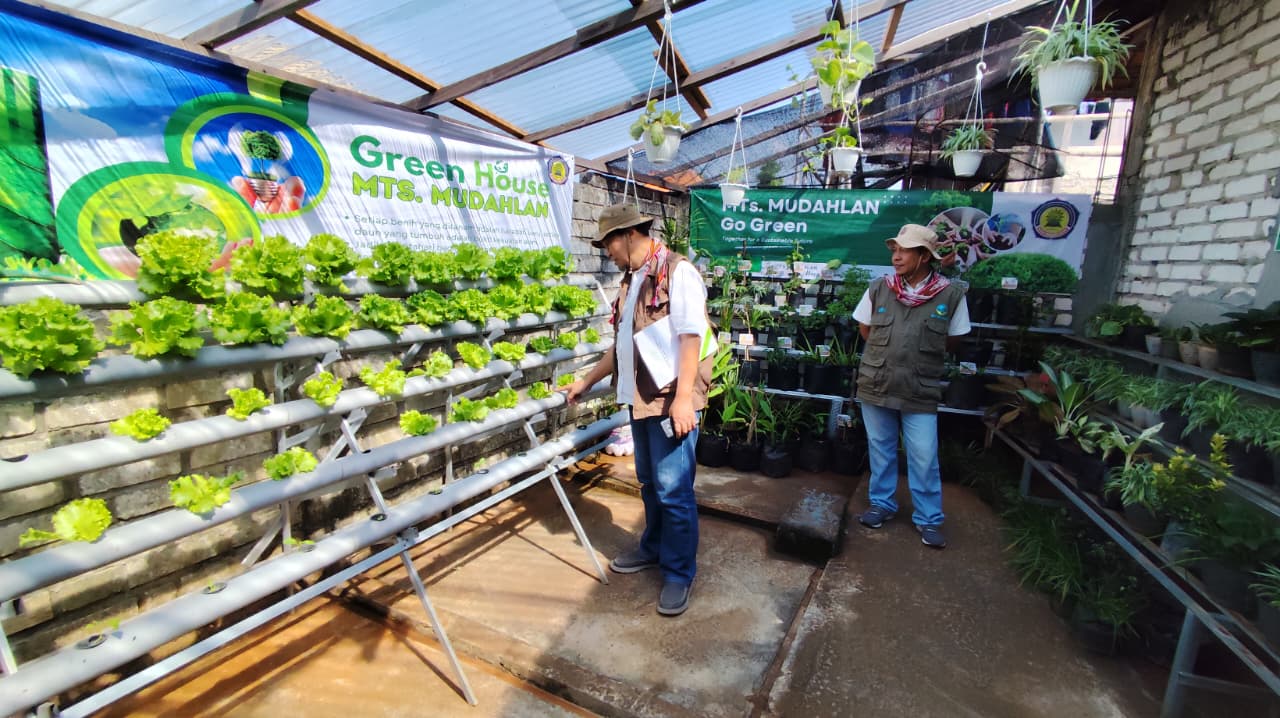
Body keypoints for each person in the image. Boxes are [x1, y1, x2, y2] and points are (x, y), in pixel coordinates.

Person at [562, 203, 713, 616]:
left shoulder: (677, 272)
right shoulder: (634, 280)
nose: (606, 252)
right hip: (641, 399)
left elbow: (690, 338)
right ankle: (653, 549)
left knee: (674, 489)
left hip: (669, 400)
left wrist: (683, 400)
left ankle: (680, 572)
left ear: (629, 234)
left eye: (608, 242)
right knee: (650, 482)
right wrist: (586, 381)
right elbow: (622, 346)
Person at [852, 224, 970, 549]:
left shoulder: (950, 294)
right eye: (894, 250)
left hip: (920, 389)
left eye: (904, 250)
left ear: (923, 256)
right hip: (877, 383)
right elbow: (866, 329)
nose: (896, 256)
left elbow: (956, 338)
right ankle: (881, 504)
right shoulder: (880, 288)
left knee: (923, 455)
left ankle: (929, 519)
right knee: (881, 449)